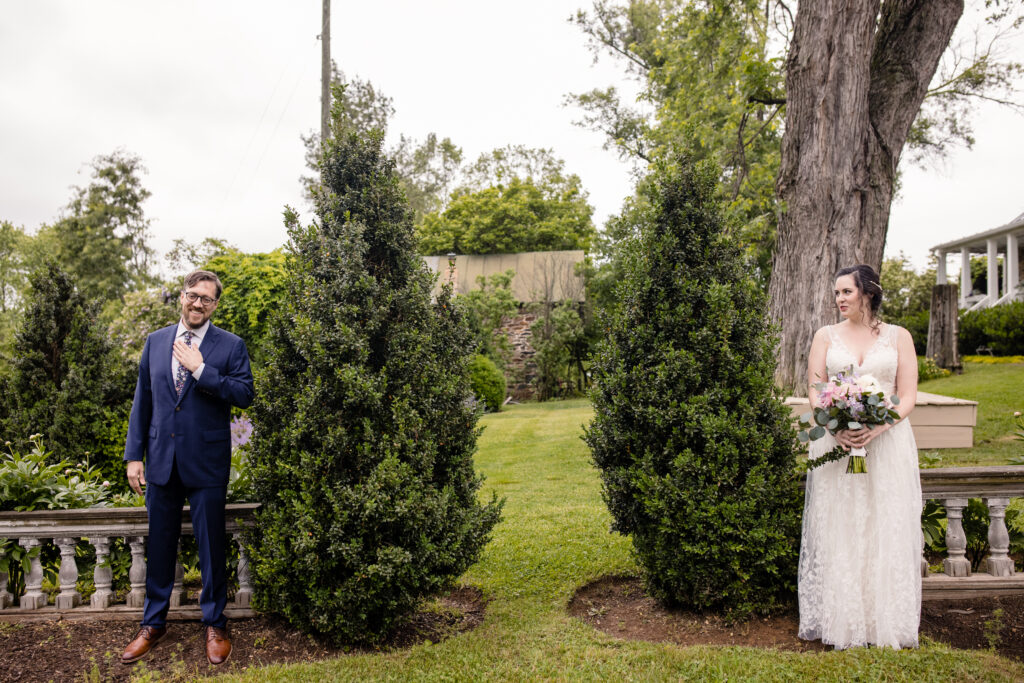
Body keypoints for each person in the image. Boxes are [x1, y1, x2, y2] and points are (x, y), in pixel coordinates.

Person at [120, 270, 254, 666]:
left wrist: (201, 370)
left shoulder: (230, 345)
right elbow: (142, 402)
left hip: (207, 463)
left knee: (211, 545)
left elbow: (245, 394)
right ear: (182, 296)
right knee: (159, 545)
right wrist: (134, 455)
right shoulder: (156, 341)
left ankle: (214, 622)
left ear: (215, 305)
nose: (198, 304)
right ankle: (153, 623)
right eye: (192, 296)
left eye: (206, 299)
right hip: (161, 461)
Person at [798, 264, 922, 649]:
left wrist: (879, 426)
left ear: (867, 293)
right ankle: (843, 619)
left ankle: (882, 621)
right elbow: (816, 389)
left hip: (887, 446)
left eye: (846, 292)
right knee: (843, 524)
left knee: (884, 524)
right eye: (836, 294)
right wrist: (834, 428)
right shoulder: (825, 336)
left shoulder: (899, 337)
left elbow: (909, 395)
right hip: (836, 446)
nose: (839, 300)